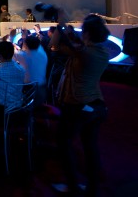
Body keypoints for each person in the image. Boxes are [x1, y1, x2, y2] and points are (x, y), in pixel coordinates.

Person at [51, 14, 116, 196]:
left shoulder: (84, 52)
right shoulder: (100, 51)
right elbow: (76, 45)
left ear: (87, 33)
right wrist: (67, 31)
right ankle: (91, 188)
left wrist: (60, 25)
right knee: (90, 147)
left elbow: (54, 45)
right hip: (96, 106)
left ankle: (72, 186)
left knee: (64, 144)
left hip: (77, 106)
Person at [14, 34, 48, 105]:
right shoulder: (42, 53)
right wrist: (25, 38)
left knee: (27, 108)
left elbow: (12, 53)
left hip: (29, 88)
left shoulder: (24, 56)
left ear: (26, 45)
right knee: (39, 109)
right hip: (42, 86)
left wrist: (12, 38)